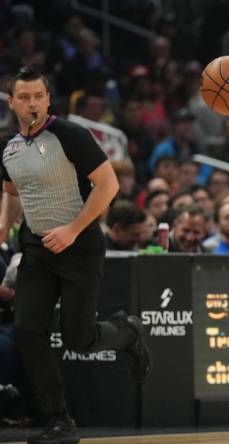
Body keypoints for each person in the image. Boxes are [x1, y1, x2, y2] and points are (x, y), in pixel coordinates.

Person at [0, 67, 151, 444]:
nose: (31, 102)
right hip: (36, 246)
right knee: (27, 331)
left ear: (48, 99)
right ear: (12, 102)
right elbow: (13, 192)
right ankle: (59, 420)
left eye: (38, 95)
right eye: (24, 97)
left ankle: (128, 331)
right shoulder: (8, 147)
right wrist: (4, 228)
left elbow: (109, 184)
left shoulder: (70, 135)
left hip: (80, 245)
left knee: (77, 338)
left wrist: (72, 229)